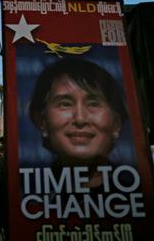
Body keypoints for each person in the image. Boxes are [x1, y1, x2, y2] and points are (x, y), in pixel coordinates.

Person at [29, 57, 128, 187]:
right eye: (65, 104)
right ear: (42, 122)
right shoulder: (27, 191)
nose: (80, 119)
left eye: (93, 104)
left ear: (116, 123)